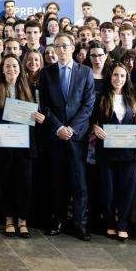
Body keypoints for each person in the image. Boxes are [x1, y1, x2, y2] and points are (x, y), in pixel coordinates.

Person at [38, 34, 96, 240]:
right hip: (55, 136)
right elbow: (43, 105)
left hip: (77, 136)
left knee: (79, 183)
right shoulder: (46, 73)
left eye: (65, 46)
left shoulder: (85, 72)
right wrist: (58, 127)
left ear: (72, 48)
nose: (61, 50)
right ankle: (58, 220)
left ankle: (79, 224)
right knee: (57, 180)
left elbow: (88, 104)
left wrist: (71, 128)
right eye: (57, 46)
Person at [0, 55, 43, 238]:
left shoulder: (30, 87)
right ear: (2, 69)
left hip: (24, 145)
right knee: (5, 182)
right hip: (3, 143)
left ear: (20, 68)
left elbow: (38, 114)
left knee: (24, 183)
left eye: (15, 66)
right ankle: (8, 219)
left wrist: (39, 118)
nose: (11, 69)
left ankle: (23, 221)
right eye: (7, 66)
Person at [90, 62, 136, 241]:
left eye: (122, 76)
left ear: (126, 79)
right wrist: (95, 128)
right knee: (108, 190)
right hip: (106, 152)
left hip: (128, 154)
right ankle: (110, 222)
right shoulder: (100, 98)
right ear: (109, 77)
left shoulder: (132, 100)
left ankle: (123, 225)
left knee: (126, 191)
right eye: (115, 75)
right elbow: (91, 121)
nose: (118, 79)